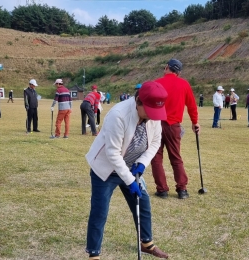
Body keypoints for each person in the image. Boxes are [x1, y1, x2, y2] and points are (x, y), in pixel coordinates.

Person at [85, 81, 169, 260]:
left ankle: (146, 244)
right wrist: (130, 181)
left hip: (132, 167)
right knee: (100, 212)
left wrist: (142, 163)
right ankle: (94, 254)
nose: (153, 117)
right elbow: (113, 154)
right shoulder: (118, 115)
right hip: (106, 170)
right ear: (138, 101)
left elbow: (155, 142)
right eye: (150, 112)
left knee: (143, 203)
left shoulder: (154, 115)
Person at [150, 59, 200, 199]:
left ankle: (162, 189)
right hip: (173, 126)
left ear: (167, 67)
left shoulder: (156, 83)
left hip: (156, 124)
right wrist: (195, 122)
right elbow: (192, 106)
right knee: (176, 157)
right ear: (179, 72)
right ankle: (182, 189)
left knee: (156, 157)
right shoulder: (184, 84)